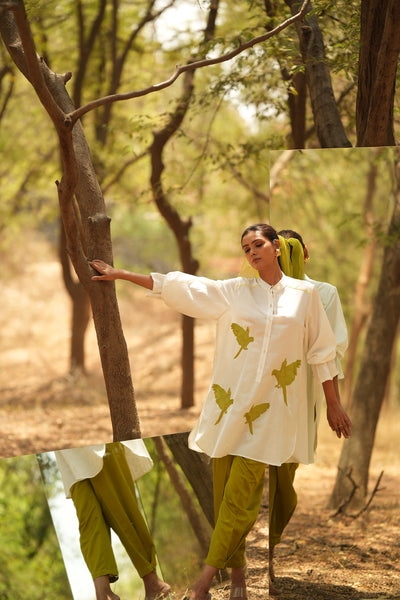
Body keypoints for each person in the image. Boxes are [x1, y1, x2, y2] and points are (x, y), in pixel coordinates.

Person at [89, 223, 352, 600]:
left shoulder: (308, 295)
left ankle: (201, 584)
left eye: (258, 244)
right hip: (229, 409)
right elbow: (181, 287)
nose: (252, 252)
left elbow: (323, 353)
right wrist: (121, 275)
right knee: (225, 496)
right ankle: (239, 577)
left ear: (277, 246)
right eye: (246, 248)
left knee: (241, 501)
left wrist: (333, 405)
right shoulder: (234, 291)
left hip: (272, 414)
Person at [267, 228, 350, 595]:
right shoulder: (257, 292)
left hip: (301, 398)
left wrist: (332, 403)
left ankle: (266, 549)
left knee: (284, 475)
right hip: (260, 398)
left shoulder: (323, 293)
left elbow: (326, 348)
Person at [55, 440, 171, 600]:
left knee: (121, 508)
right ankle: (104, 593)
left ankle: (153, 583)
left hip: (97, 441)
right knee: (89, 520)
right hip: (67, 454)